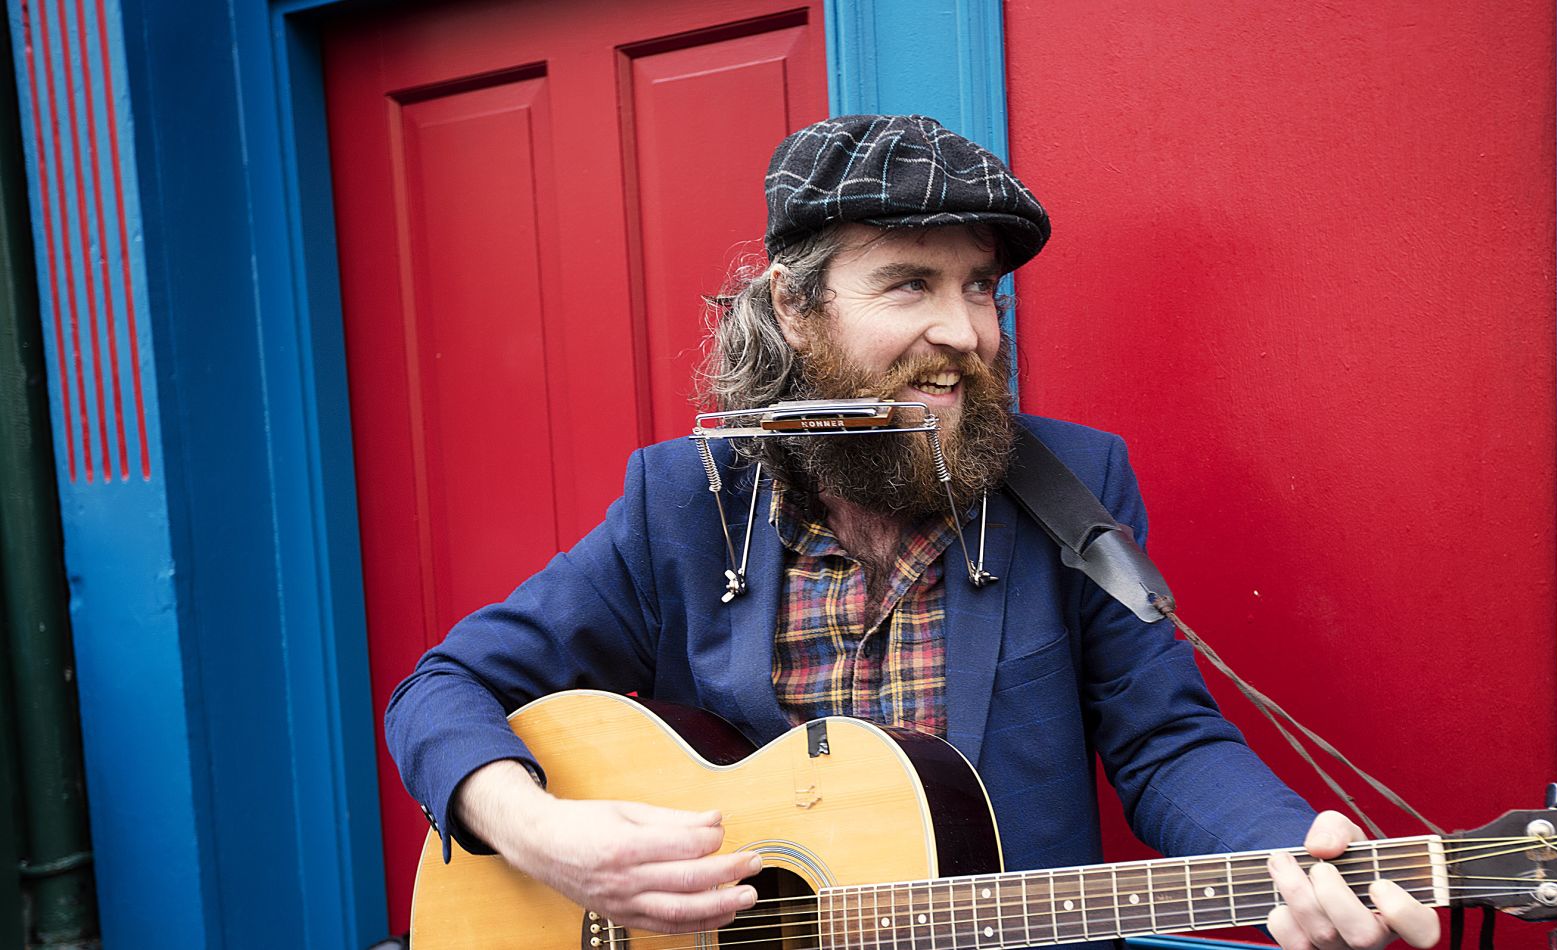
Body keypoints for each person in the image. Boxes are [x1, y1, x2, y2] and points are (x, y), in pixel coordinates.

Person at [384, 114, 1439, 950]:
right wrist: (544, 834)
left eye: (980, 287)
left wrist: (1288, 853)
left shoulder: (1071, 487)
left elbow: (1165, 740)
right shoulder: (689, 501)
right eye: (909, 283)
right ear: (792, 307)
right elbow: (442, 688)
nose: (965, 330)